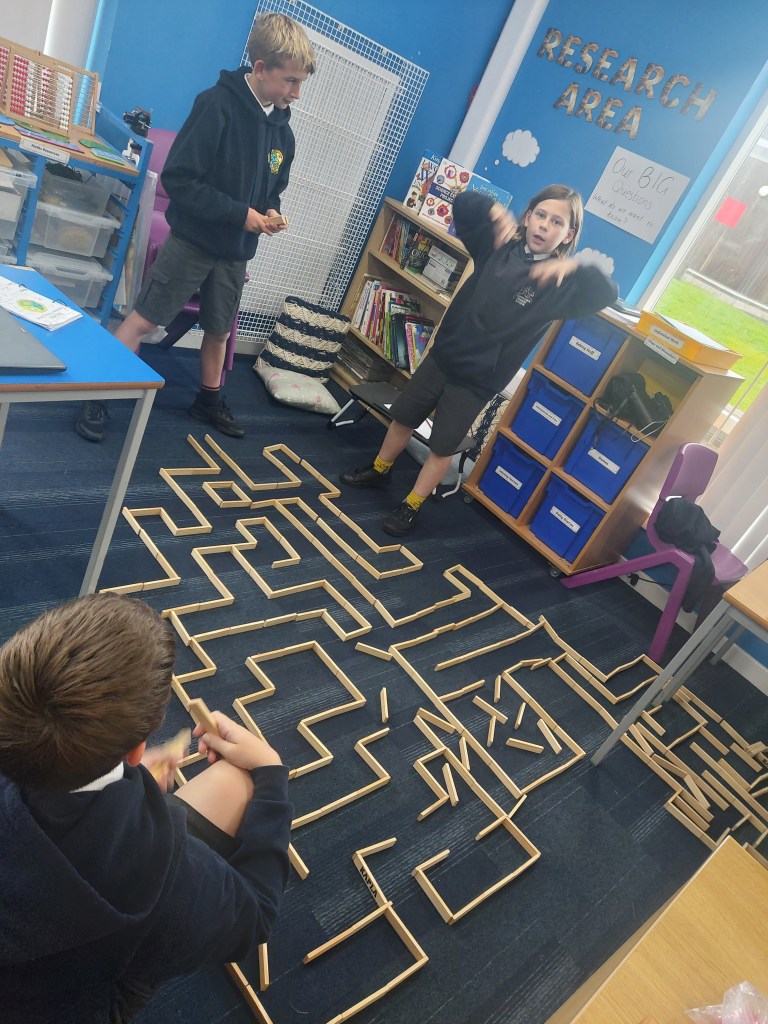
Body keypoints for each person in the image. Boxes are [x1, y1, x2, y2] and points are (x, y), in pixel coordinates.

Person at [0, 593, 292, 1024]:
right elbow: (255, 917)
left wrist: (119, 781)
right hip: (70, 1001)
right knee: (236, 783)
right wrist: (271, 772)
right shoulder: (166, 878)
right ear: (137, 749)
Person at [75, 13, 316, 444]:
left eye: (301, 83)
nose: (296, 94)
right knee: (143, 320)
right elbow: (180, 180)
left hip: (235, 250)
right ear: (261, 68)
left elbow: (273, 189)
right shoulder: (216, 105)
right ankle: (97, 394)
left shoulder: (284, 134)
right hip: (193, 242)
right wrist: (240, 214)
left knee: (220, 331)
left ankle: (208, 399)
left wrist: (269, 211)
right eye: (291, 81)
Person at [340, 185, 619, 536]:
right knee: (403, 417)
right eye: (540, 215)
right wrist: (493, 211)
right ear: (528, 216)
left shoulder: (560, 287)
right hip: (443, 357)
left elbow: (607, 292)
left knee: (442, 446)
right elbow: (462, 203)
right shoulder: (496, 246)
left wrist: (573, 268)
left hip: (476, 381)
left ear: (568, 234)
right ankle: (380, 470)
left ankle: (411, 505)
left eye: (557, 222)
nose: (545, 225)